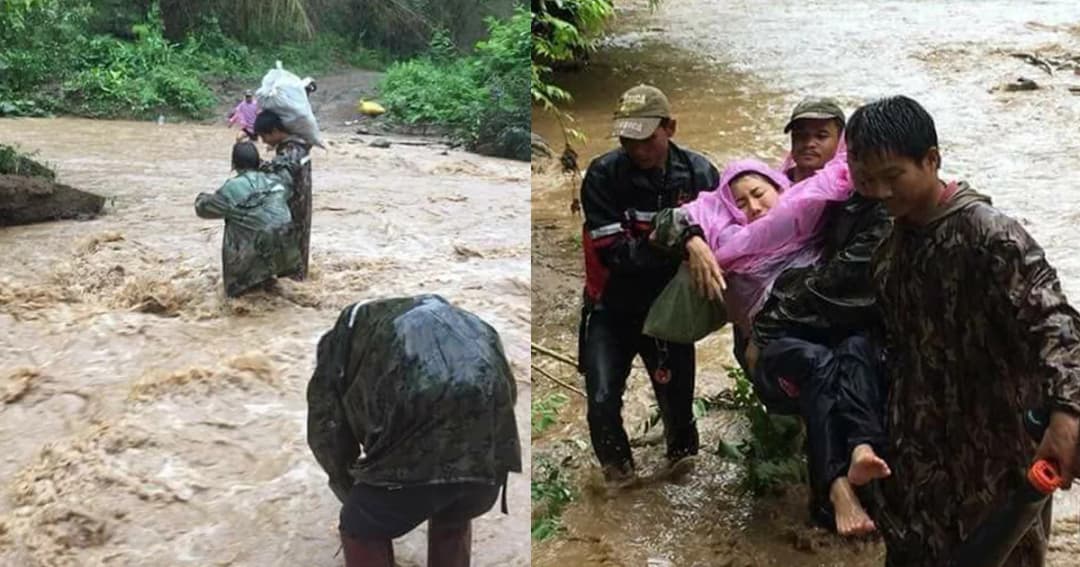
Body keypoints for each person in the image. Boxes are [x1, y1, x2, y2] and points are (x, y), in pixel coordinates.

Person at [849, 95, 1080, 566]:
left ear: (931, 160)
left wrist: (1067, 415)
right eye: (867, 180)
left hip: (994, 463)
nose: (881, 193)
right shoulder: (888, 250)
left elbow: (1058, 327)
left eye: (893, 177)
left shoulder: (992, 237)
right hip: (915, 463)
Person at [306, 295, 522, 567]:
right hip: (485, 472)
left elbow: (327, 431)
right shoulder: (465, 324)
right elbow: (504, 398)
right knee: (454, 503)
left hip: (424, 437)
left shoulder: (340, 350)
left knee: (359, 525)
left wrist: (354, 495)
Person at [578, 84, 720, 487]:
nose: (636, 149)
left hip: (671, 312)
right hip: (612, 306)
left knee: (678, 411)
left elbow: (726, 237)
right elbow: (617, 255)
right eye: (627, 139)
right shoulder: (603, 176)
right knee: (602, 402)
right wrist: (677, 239)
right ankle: (619, 482)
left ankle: (680, 485)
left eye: (645, 139)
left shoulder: (699, 174)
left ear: (670, 128)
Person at [194, 141, 301, 297]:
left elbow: (202, 209)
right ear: (258, 162)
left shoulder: (231, 188)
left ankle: (241, 288)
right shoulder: (277, 181)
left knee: (236, 223)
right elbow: (288, 182)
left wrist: (202, 197)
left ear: (234, 164)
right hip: (287, 255)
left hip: (253, 258)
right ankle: (268, 283)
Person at [254, 110, 312, 280]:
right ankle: (298, 283)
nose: (263, 141)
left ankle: (292, 287)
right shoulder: (299, 146)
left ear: (274, 131)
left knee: (290, 252)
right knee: (300, 247)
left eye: (264, 136)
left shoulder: (289, 152)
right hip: (301, 207)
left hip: (291, 210)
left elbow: (283, 181)